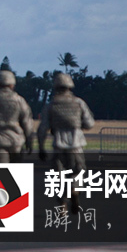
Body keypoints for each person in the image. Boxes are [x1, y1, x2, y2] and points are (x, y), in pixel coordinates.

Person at [37, 72, 95, 213]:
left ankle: (62, 204)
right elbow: (89, 123)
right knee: (78, 172)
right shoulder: (79, 103)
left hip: (58, 145)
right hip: (76, 144)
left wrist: (41, 147)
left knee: (59, 176)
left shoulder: (51, 105)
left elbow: (43, 128)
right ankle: (74, 191)